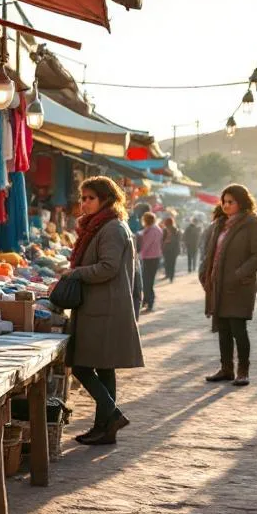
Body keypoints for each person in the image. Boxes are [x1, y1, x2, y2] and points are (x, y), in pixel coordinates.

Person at [65, 176, 144, 446]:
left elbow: (108, 267)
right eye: (83, 198)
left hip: (105, 308)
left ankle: (112, 415)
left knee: (81, 366)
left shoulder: (111, 228)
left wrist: (75, 273)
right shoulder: (102, 226)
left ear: (106, 200)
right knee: (104, 369)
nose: (85, 203)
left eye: (91, 198)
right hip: (101, 306)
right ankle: (105, 428)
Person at [199, 185, 257, 386]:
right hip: (219, 285)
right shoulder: (220, 224)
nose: (226, 205)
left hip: (239, 286)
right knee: (223, 329)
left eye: (231, 202)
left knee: (238, 329)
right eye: (224, 201)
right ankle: (226, 368)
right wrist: (205, 273)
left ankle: (243, 371)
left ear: (241, 202)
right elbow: (211, 253)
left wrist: (238, 274)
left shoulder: (252, 223)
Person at [137, 212, 163, 312]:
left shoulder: (151, 231)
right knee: (148, 280)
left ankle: (150, 302)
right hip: (155, 257)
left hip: (149, 257)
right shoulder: (156, 229)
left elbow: (147, 245)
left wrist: (139, 254)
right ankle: (146, 300)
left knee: (147, 281)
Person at [161, 215, 181, 283]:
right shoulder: (176, 229)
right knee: (172, 263)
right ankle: (171, 277)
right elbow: (178, 240)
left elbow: (162, 239)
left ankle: (167, 275)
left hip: (166, 249)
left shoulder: (165, 230)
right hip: (174, 249)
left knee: (167, 262)